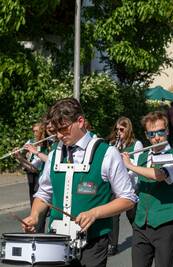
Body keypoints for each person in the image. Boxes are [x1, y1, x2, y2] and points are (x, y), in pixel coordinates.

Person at [22, 98, 137, 267]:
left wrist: (94, 213)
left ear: (80, 121)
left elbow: (128, 199)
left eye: (64, 129)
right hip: (57, 240)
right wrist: (34, 216)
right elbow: (44, 193)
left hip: (93, 242)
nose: (60, 135)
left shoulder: (107, 153)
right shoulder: (54, 155)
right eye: (56, 131)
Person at [122, 111, 173, 267]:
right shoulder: (141, 156)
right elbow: (133, 185)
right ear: (146, 135)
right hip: (141, 224)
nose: (156, 137)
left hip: (165, 224)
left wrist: (130, 165)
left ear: (167, 131)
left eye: (160, 132)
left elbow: (159, 175)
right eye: (152, 134)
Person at [107, 116, 143, 256]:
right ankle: (113, 244)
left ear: (128, 129)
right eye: (117, 130)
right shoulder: (113, 144)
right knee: (113, 215)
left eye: (121, 130)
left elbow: (137, 166)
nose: (118, 133)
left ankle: (140, 235)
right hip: (115, 186)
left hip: (130, 185)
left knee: (131, 214)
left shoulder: (136, 144)